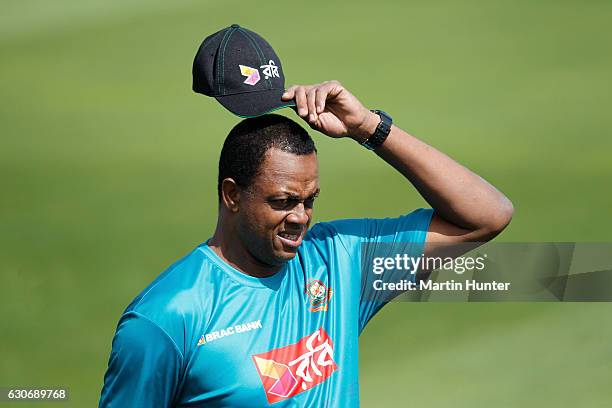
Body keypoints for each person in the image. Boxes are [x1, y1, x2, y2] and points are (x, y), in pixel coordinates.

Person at [99, 80, 513, 407]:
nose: (300, 218)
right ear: (232, 196)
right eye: (282, 202)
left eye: (309, 200)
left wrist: (368, 127)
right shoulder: (165, 319)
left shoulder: (339, 260)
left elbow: (486, 216)